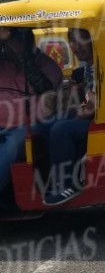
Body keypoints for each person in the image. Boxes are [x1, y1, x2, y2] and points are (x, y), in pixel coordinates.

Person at [0, 28, 62, 203]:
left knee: (12, 145)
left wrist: (14, 44)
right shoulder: (3, 64)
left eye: (15, 42)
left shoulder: (48, 66)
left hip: (30, 128)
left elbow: (43, 86)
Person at [43, 28, 95, 206]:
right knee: (52, 122)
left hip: (104, 120)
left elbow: (92, 107)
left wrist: (81, 111)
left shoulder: (100, 64)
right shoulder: (87, 65)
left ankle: (66, 185)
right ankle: (55, 178)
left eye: (82, 40)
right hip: (94, 112)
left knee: (61, 130)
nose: (76, 46)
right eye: (72, 40)